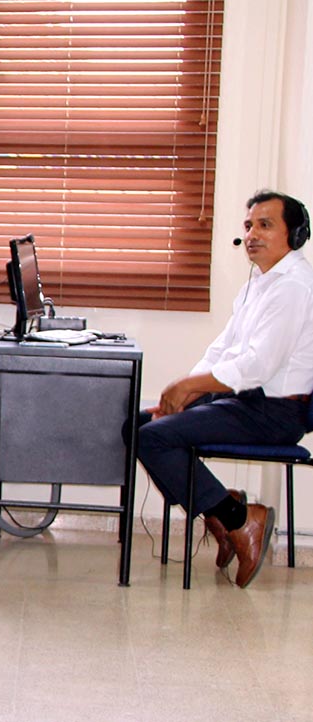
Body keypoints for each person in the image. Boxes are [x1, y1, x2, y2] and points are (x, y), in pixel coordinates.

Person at [137, 190, 313, 588]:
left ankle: (239, 520)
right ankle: (224, 512)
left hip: (275, 411)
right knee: (135, 425)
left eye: (265, 225)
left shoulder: (293, 288)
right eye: (248, 225)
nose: (252, 234)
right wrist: (184, 395)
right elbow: (224, 350)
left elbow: (257, 366)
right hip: (245, 399)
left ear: (295, 234)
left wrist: (188, 387)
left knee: (154, 440)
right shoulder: (259, 283)